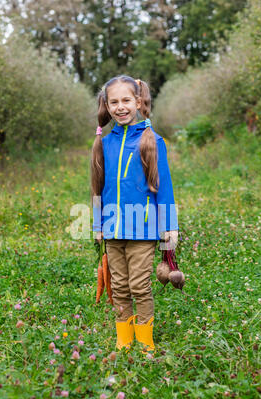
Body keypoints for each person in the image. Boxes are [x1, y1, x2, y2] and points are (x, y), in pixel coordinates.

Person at [91, 75, 179, 353]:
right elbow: (97, 188)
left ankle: (145, 342)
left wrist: (170, 225)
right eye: (113, 101)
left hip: (143, 229)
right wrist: (97, 224)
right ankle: (124, 339)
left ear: (138, 102)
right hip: (114, 229)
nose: (120, 107)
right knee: (118, 286)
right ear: (107, 105)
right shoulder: (104, 144)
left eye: (126, 100)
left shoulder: (152, 141)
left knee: (139, 286)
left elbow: (164, 188)